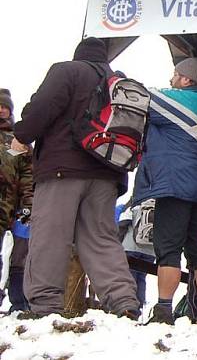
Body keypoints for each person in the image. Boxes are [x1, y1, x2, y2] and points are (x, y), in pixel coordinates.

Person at [12, 38, 140, 318]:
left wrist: (22, 134)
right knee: (101, 238)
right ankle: (123, 301)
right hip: (107, 173)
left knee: (50, 236)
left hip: (62, 169)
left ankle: (45, 305)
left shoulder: (67, 71)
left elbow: (42, 108)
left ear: (78, 54)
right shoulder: (118, 82)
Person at [132, 57, 197, 324]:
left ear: (186, 79)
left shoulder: (180, 100)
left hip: (176, 186)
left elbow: (139, 96)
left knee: (168, 249)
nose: (171, 80)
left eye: (174, 75)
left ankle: (163, 309)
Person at [0, 89, 33, 311]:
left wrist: (28, 205)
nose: (2, 110)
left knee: (19, 256)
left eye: (6, 107)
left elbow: (28, 175)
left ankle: (18, 302)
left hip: (11, 208)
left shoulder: (18, 139)